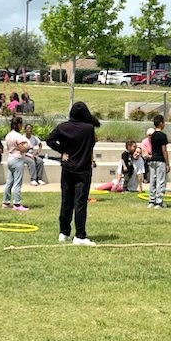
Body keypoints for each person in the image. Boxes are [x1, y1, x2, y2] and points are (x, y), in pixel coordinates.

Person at [46, 101, 100, 246]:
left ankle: (63, 232)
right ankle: (79, 235)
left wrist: (62, 150)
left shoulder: (63, 127)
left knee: (66, 201)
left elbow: (50, 140)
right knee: (80, 203)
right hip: (83, 170)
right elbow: (93, 142)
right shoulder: (89, 129)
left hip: (68, 168)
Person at [2, 116, 30, 211]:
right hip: (17, 159)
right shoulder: (18, 136)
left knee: (9, 181)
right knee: (17, 182)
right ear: (19, 124)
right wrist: (27, 147)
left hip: (10, 158)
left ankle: (5, 202)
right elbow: (22, 148)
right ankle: (17, 204)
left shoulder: (8, 135)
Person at [147, 115, 170, 209]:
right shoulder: (163, 136)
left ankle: (151, 201)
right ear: (161, 123)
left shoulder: (152, 136)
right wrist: (167, 163)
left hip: (153, 159)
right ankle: (159, 202)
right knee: (160, 181)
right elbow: (164, 150)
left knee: (153, 180)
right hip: (160, 160)